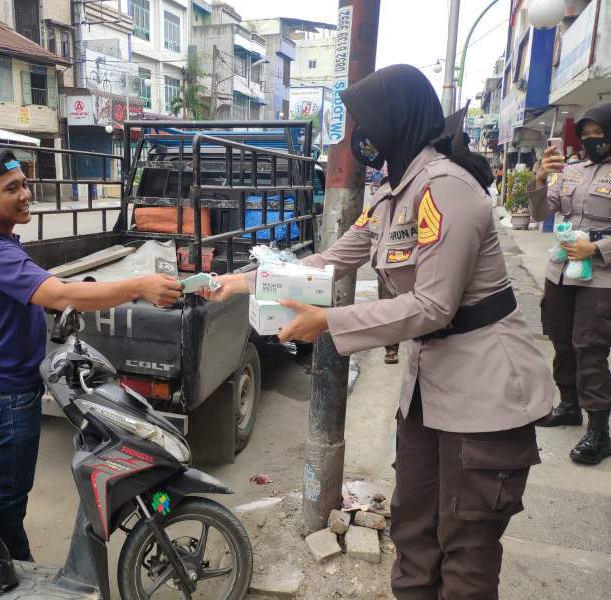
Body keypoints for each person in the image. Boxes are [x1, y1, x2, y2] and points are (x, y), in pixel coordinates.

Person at [202, 65, 552, 600]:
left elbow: (433, 305)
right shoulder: (391, 197)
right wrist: (242, 282)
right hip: (428, 391)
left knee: (466, 549)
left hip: (485, 396)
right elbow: (328, 262)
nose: (354, 138)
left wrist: (328, 322)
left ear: (398, 119)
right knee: (413, 526)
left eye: (363, 123)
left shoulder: (445, 190)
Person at [0, 148, 182, 560]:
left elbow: (36, 293)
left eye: (25, 184)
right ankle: (8, 574)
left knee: (6, 487)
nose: (25, 194)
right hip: (4, 395)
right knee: (8, 495)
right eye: (12, 188)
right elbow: (58, 294)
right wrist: (138, 286)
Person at [528, 102, 611, 465]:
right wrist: (540, 179)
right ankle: (569, 405)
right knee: (561, 339)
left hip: (600, 275)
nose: (593, 141)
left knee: (589, 347)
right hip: (560, 269)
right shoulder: (572, 170)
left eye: (600, 135)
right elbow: (542, 212)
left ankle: (599, 431)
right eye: (587, 135)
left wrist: (596, 246)